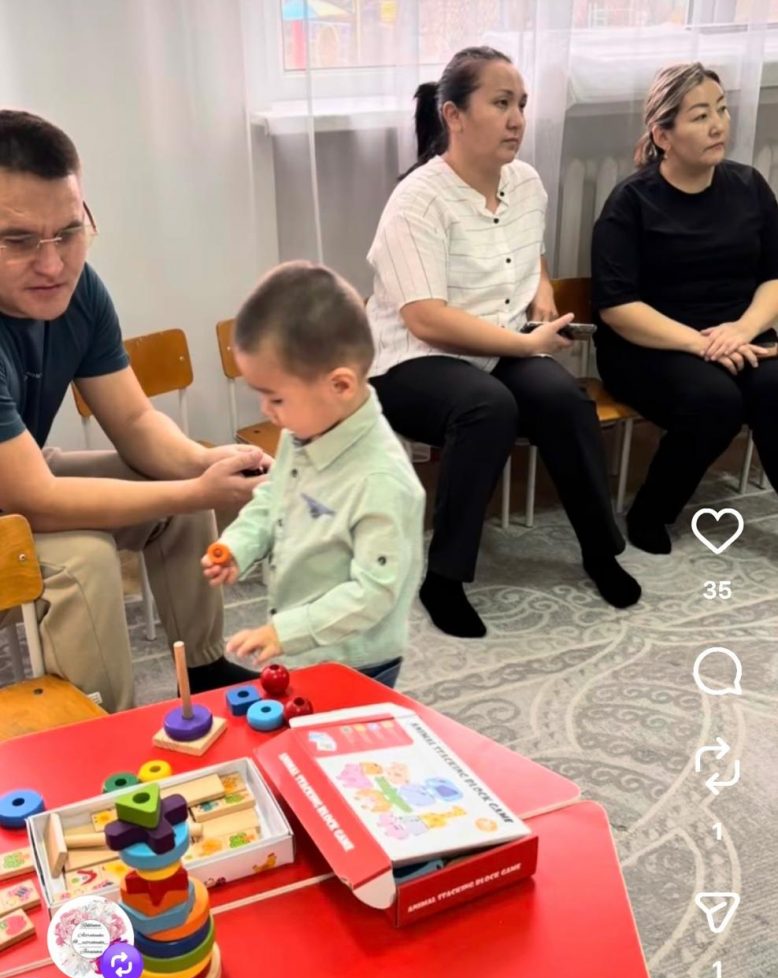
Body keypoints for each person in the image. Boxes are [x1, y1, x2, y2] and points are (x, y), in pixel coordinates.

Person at [0, 110, 271, 712]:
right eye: (18, 241)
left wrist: (204, 464)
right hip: (18, 490)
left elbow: (135, 421)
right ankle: (101, 728)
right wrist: (198, 490)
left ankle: (202, 669)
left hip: (18, 474)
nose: (53, 264)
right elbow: (34, 499)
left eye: (70, 232)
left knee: (175, 489)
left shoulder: (79, 292)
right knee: (85, 562)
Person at [366, 46, 640, 640]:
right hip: (413, 361)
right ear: (454, 116)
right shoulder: (417, 201)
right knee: (487, 407)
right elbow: (426, 319)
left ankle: (600, 552)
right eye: (500, 103)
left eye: (521, 104)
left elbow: (529, 253)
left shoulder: (526, 182)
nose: (517, 119)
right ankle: (444, 579)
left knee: (565, 401)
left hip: (500, 344)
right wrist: (528, 346)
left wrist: (541, 292)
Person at [201, 262, 425, 690]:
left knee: (341, 734)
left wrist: (285, 632)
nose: (265, 411)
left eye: (276, 398)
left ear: (340, 385)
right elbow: (273, 499)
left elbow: (374, 592)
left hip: (357, 660)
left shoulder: (382, 480)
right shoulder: (302, 433)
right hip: (303, 647)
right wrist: (239, 546)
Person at [591, 63, 778, 555]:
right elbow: (618, 307)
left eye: (722, 110)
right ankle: (650, 513)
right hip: (649, 346)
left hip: (739, 337)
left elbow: (774, 278)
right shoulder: (631, 202)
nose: (718, 125)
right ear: (663, 135)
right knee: (715, 401)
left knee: (775, 388)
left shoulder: (750, 186)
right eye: (700, 116)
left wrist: (742, 331)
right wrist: (703, 344)